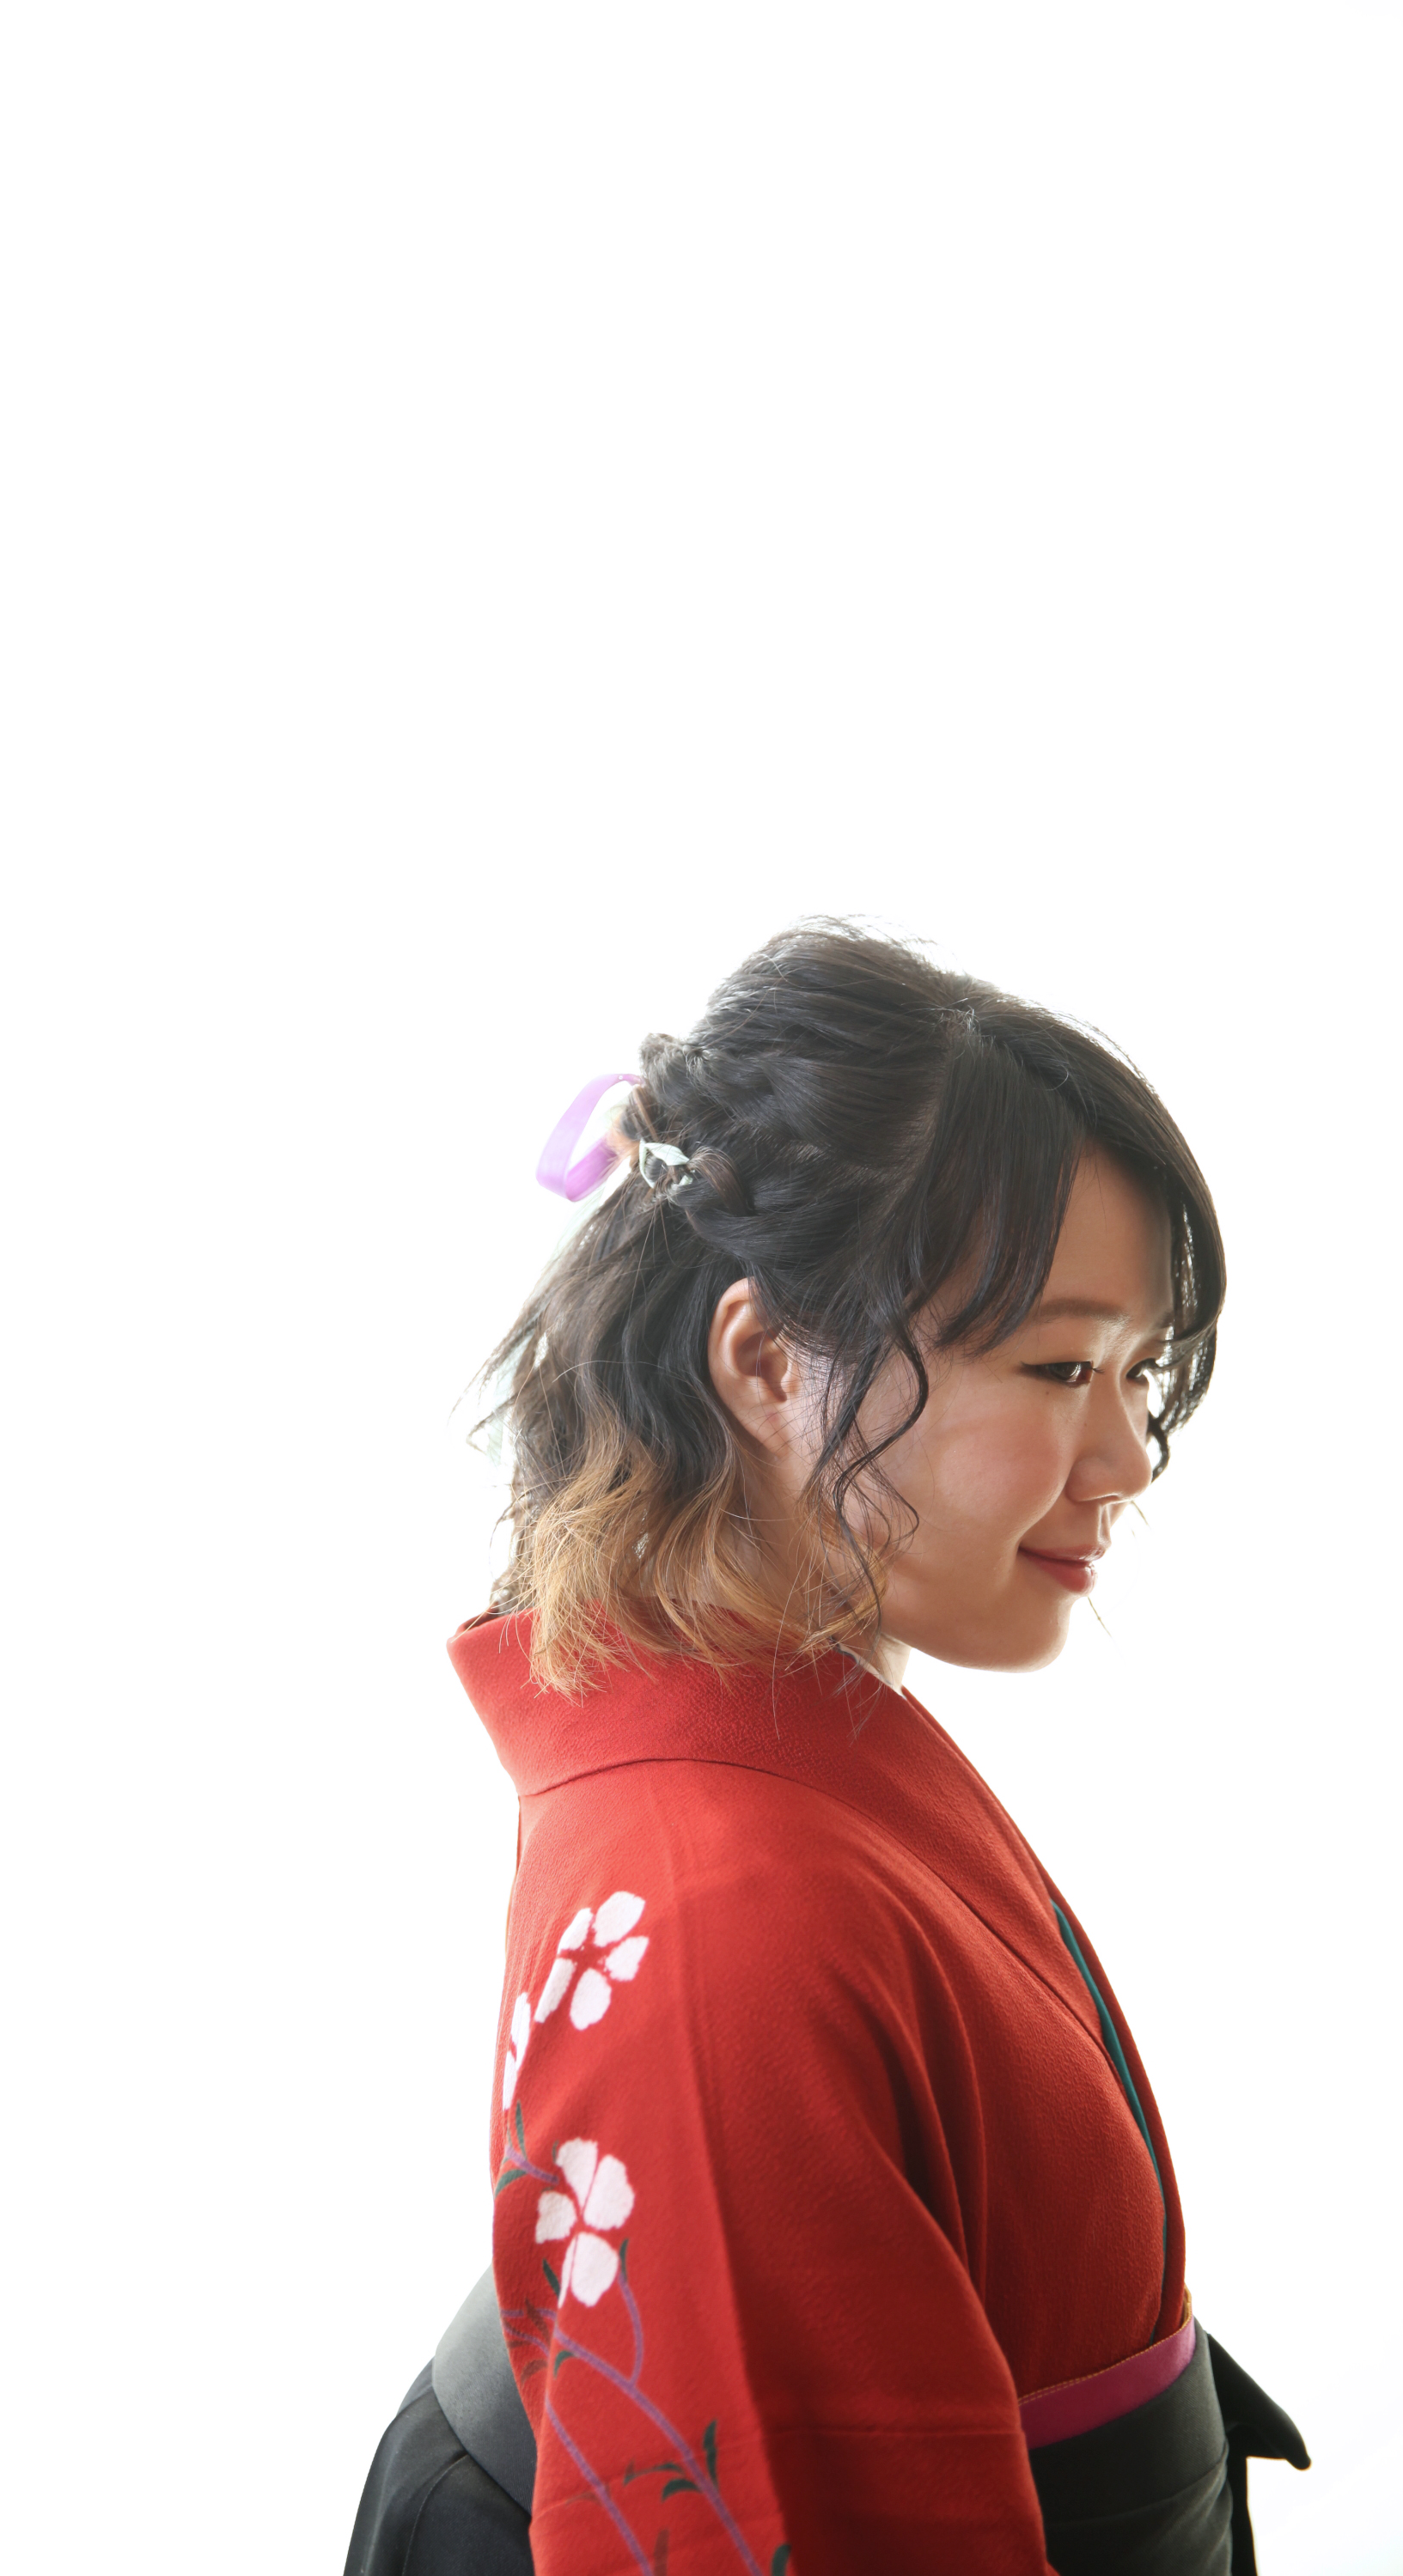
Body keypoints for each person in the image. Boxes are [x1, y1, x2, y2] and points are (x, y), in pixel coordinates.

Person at [345, 923, 1307, 2576]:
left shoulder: (774, 1741)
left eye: (1137, 1371)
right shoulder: (725, 1925)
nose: (1130, 1455)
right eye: (1060, 1366)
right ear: (769, 1362)